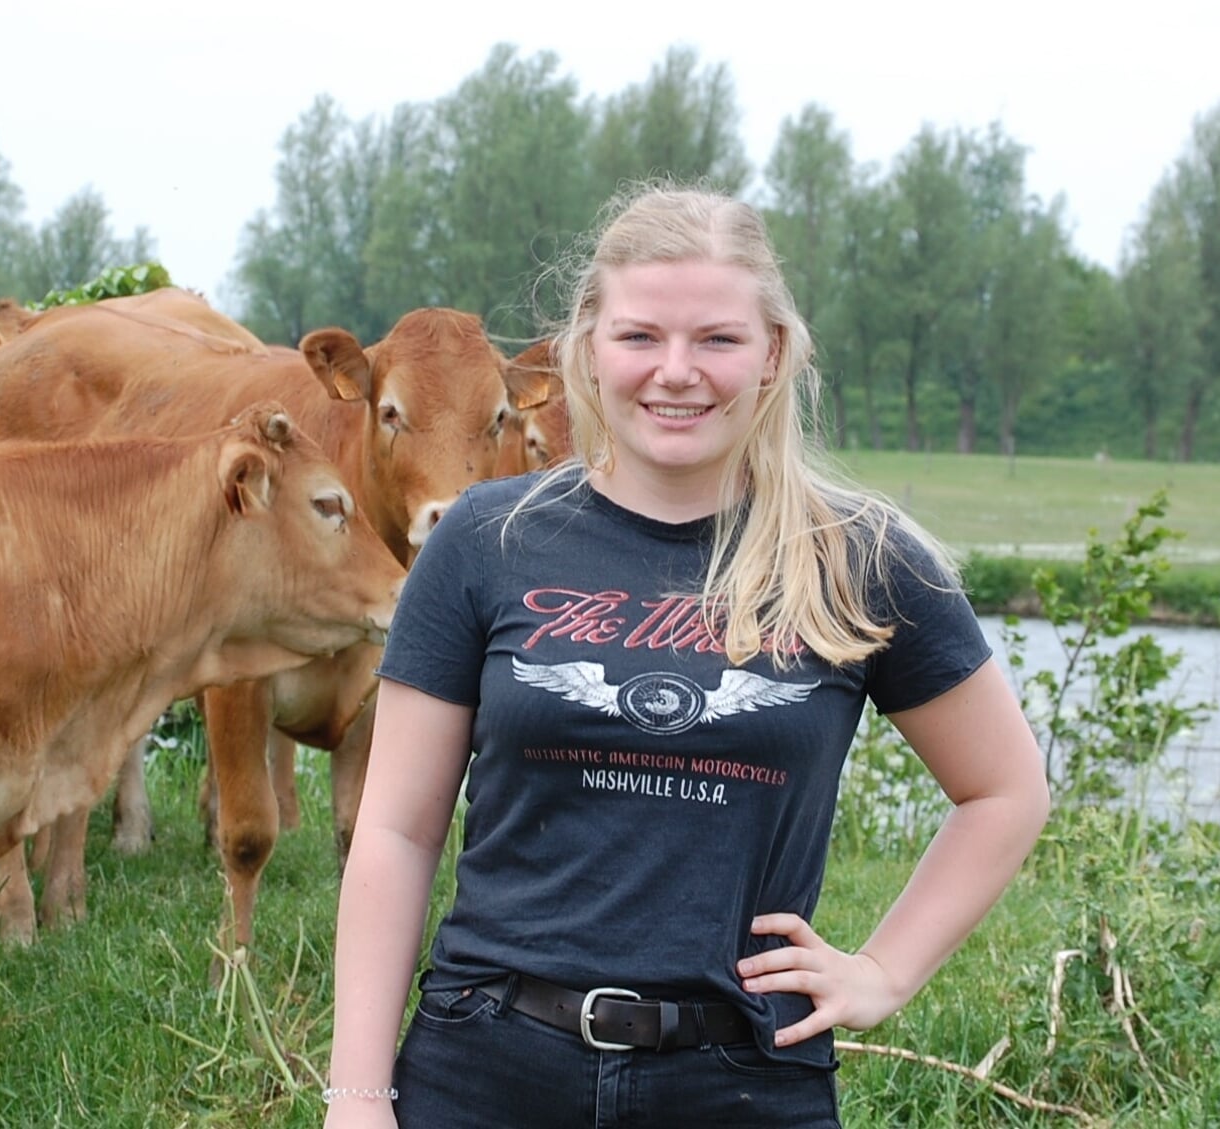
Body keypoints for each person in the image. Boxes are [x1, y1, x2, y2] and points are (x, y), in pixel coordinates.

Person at [322, 183, 1051, 1128]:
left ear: (772, 352)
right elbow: (397, 830)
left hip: (742, 1076)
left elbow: (1005, 790)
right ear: (587, 349)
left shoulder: (856, 556)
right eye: (639, 337)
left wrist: (882, 969)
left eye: (716, 338)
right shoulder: (485, 539)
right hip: (486, 1061)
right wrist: (356, 1091)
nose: (676, 371)